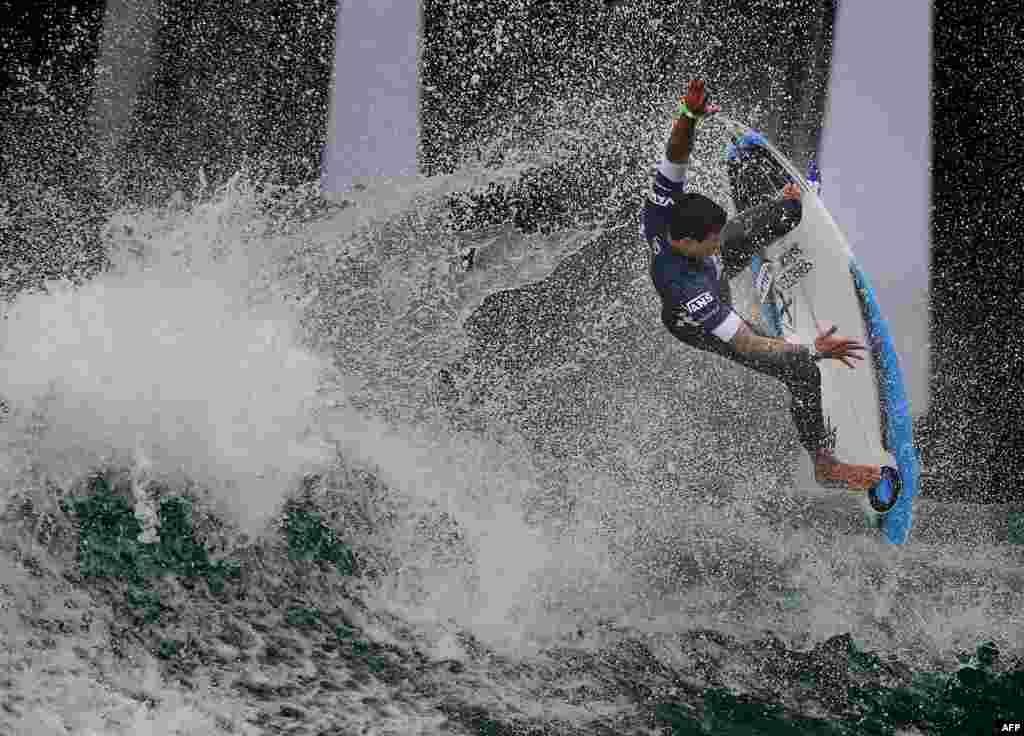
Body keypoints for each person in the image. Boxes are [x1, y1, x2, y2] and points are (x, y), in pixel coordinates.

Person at [641, 79, 886, 495]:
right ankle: (825, 464)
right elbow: (748, 344)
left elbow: (675, 154)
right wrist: (813, 349)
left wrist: (687, 116)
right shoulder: (689, 294)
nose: (719, 240)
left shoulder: (665, 211)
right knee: (801, 369)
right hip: (700, 318)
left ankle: (785, 211)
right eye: (711, 239)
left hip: (706, 267)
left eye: (718, 234)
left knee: (778, 216)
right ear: (684, 244)